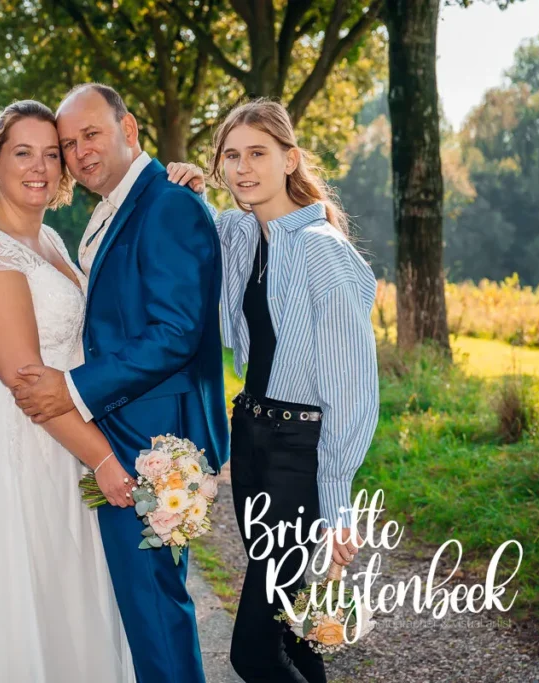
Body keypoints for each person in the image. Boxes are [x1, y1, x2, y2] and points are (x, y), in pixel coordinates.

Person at [10, 84, 230, 683]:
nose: (79, 153)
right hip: (121, 428)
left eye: (92, 135)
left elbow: (176, 332)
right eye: (68, 143)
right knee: (138, 606)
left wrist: (75, 388)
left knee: (155, 609)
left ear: (129, 130)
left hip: (154, 438)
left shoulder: (168, 205)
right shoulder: (114, 208)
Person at [0, 99, 136, 683]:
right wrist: (104, 459)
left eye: (53, 153)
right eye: (23, 152)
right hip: (18, 447)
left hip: (64, 439)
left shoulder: (49, 239)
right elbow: (25, 382)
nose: (41, 166)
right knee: (23, 605)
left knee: (68, 598)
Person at [191, 99, 379, 683]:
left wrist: (338, 497)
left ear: (289, 159)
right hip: (249, 437)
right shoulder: (243, 235)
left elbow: (352, 383)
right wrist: (189, 188)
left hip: (298, 453)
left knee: (252, 652)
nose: (243, 168)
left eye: (258, 154)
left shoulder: (323, 249)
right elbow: (202, 241)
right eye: (231, 156)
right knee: (294, 636)